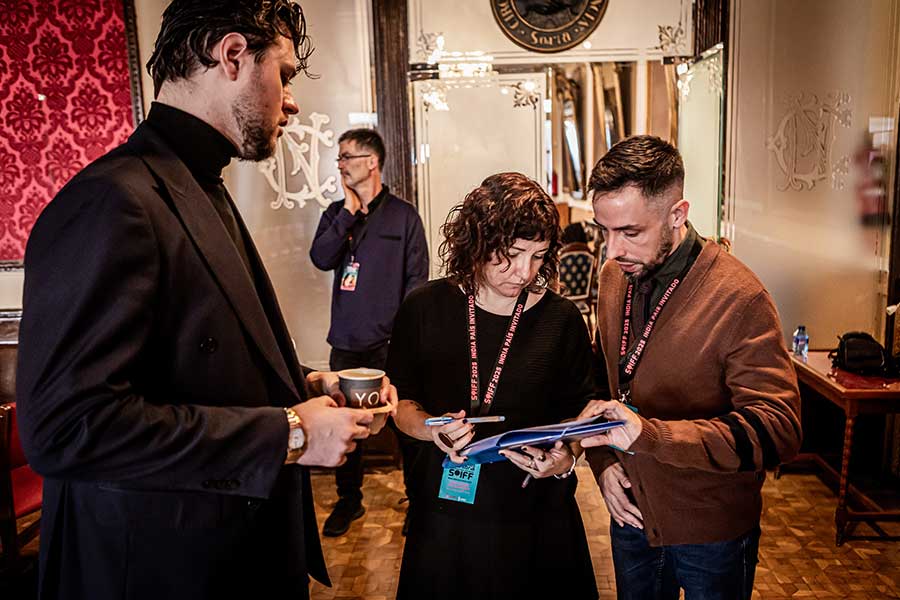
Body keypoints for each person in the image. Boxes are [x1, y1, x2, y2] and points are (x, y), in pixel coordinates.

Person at [15, 2, 396, 599]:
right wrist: (290, 433)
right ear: (233, 55)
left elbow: (193, 359)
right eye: (285, 75)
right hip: (162, 571)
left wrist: (306, 384)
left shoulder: (193, 183)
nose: (291, 102)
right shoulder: (112, 200)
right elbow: (67, 427)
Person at [578, 135, 802, 599]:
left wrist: (651, 436)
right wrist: (603, 465)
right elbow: (601, 385)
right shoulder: (614, 277)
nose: (612, 250)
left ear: (677, 214)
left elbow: (778, 430)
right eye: (605, 230)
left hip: (712, 534)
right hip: (631, 516)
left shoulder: (740, 297)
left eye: (630, 232)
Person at [387, 172, 599, 600]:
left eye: (538, 256)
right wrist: (432, 429)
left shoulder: (561, 320)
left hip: (536, 514)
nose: (524, 272)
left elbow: (583, 412)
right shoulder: (423, 308)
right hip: (448, 515)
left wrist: (567, 457)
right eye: (512, 254)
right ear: (477, 241)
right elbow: (400, 402)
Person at [310, 128, 429, 537]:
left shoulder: (404, 216)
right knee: (346, 423)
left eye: (347, 156)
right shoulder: (337, 214)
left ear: (372, 162)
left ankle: (417, 500)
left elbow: (417, 281)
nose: (340, 164)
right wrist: (348, 211)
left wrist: (405, 338)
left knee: (404, 423)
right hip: (346, 342)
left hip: (390, 345)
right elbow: (320, 257)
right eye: (340, 157)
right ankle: (349, 501)